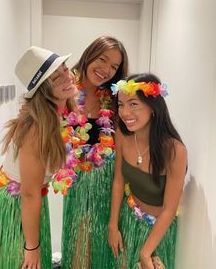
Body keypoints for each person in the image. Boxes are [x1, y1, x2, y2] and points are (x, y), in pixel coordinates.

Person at [0, 46, 78, 269]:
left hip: (29, 202)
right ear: (43, 90)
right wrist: (32, 248)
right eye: (55, 77)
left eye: (65, 69)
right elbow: (30, 193)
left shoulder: (60, 113)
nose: (67, 77)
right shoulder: (36, 127)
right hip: (13, 206)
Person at [60, 36, 129, 269]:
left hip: (107, 185)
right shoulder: (65, 90)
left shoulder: (115, 98)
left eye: (114, 66)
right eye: (103, 59)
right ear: (90, 54)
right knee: (78, 247)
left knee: (103, 251)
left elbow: (120, 149)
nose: (106, 70)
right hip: (77, 185)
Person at [108, 73, 187, 269]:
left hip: (158, 233)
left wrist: (146, 253)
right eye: (121, 105)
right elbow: (118, 180)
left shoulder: (174, 150)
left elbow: (169, 209)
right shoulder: (122, 134)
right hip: (128, 221)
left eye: (133, 104)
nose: (125, 112)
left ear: (153, 107)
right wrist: (113, 224)